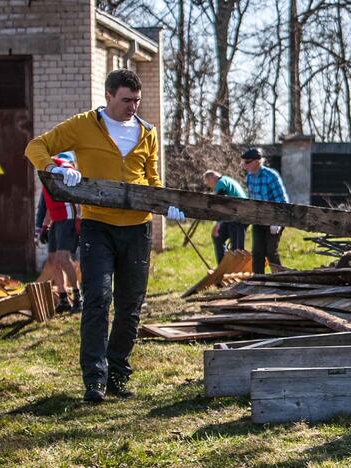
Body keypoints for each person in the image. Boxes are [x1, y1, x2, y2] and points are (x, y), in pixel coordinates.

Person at [25, 69, 186, 403]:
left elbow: (152, 178)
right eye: (126, 100)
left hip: (138, 228)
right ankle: (94, 381)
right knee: (98, 299)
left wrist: (166, 205)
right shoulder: (84, 125)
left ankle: (117, 377)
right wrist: (56, 168)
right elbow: (35, 145)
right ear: (109, 96)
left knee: (130, 306)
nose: (133, 107)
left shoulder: (147, 132)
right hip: (97, 226)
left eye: (137, 101)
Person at [40, 151, 82, 313]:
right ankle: (64, 298)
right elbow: (51, 205)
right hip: (56, 220)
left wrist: (60, 164)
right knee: (52, 261)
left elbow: (67, 167)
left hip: (68, 219)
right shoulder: (46, 175)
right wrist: (45, 227)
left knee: (63, 258)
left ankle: (79, 297)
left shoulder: (58, 165)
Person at [240, 148, 289, 273]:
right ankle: (258, 281)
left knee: (270, 252)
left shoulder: (271, 176)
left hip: (274, 219)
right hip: (259, 220)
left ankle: (281, 280)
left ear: (257, 162)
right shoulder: (250, 177)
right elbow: (251, 200)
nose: (244, 165)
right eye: (244, 162)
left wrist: (277, 222)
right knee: (257, 252)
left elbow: (282, 201)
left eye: (247, 162)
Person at [203, 170, 248, 264]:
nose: (209, 186)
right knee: (218, 237)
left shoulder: (220, 183)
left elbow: (221, 204)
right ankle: (224, 266)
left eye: (207, 182)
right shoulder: (225, 180)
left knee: (236, 247)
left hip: (238, 216)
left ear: (211, 178)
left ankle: (232, 267)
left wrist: (218, 224)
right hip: (235, 215)